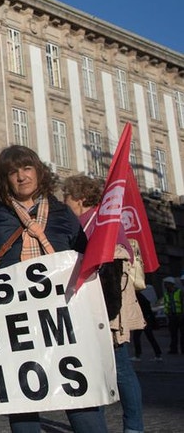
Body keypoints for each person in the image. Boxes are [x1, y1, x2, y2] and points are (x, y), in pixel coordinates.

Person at [0, 146, 106, 433]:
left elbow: (84, 258)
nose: (21, 177)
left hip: (61, 316)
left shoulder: (62, 213)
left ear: (38, 171)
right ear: (4, 178)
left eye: (27, 169)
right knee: (22, 395)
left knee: (79, 391)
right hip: (11, 316)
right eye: (13, 171)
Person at [62, 174, 145, 433]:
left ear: (80, 198)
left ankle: (133, 427)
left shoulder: (100, 220)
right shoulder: (85, 221)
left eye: (67, 197)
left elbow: (117, 258)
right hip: (96, 303)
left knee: (120, 367)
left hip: (109, 305)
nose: (64, 203)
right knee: (94, 366)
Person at [131, 291, 162, 361]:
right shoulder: (140, 296)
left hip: (142, 319)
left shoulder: (136, 296)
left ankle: (138, 355)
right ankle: (158, 354)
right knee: (150, 337)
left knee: (137, 337)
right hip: (145, 318)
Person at [162, 276, 183, 354]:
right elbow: (166, 304)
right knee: (173, 334)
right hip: (172, 316)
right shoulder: (166, 294)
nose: (164, 286)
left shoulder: (180, 292)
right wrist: (167, 314)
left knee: (182, 334)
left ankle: (182, 349)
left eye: (166, 284)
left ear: (171, 284)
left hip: (180, 315)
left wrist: (182, 314)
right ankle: (174, 349)